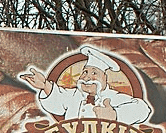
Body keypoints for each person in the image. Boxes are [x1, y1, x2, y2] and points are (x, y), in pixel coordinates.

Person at [20, 45, 152, 125]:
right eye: (85, 72)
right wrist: (45, 85)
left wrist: (115, 115)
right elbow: (57, 101)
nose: (87, 77)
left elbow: (142, 109)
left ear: (104, 78)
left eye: (94, 73)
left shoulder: (112, 97)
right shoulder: (74, 95)